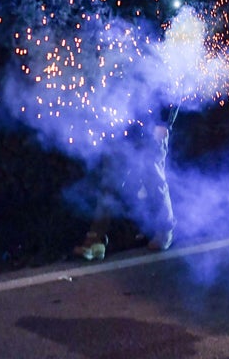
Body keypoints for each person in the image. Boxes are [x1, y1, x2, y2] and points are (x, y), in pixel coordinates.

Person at [72, 104, 179, 259]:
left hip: (151, 128)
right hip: (125, 125)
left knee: (153, 180)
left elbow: (174, 87)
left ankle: (164, 232)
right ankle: (96, 240)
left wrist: (164, 123)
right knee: (110, 181)